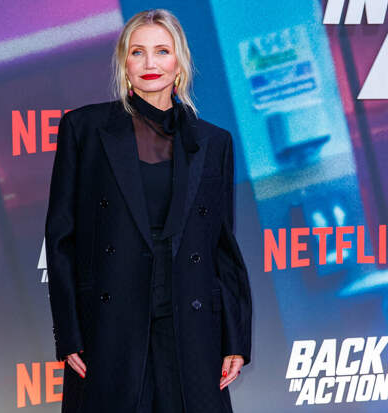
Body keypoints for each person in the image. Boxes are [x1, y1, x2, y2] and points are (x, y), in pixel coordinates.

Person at [45, 8, 252, 413]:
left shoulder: (214, 143)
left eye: (162, 51)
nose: (150, 63)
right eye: (137, 52)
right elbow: (61, 239)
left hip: (190, 328)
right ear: (124, 64)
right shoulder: (84, 130)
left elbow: (222, 247)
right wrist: (69, 334)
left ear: (180, 63)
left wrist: (235, 339)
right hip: (109, 329)